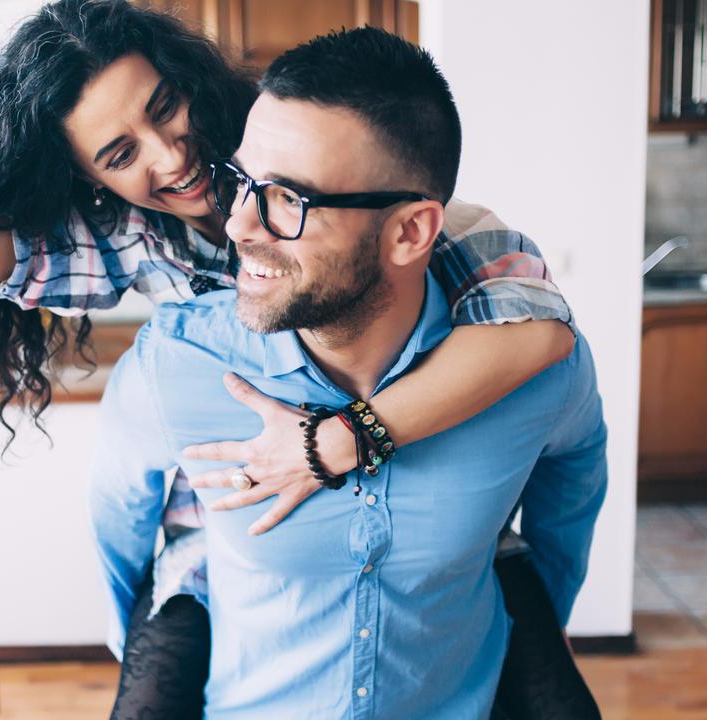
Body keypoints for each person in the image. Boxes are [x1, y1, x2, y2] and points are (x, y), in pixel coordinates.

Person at [0, 0, 578, 713]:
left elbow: (540, 335)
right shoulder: (130, 243)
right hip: (218, 539)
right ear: (89, 180)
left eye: (168, 110)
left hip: (419, 518)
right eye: (120, 152)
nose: (172, 154)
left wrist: (342, 441)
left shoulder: (414, 221)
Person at [91, 25, 608, 719]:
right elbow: (120, 528)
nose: (239, 225)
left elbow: (575, 472)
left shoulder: (534, 373)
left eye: (288, 200)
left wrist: (542, 616)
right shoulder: (175, 370)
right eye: (242, 182)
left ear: (410, 232)